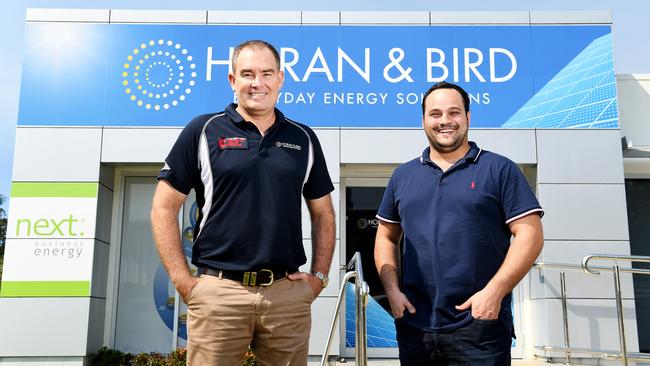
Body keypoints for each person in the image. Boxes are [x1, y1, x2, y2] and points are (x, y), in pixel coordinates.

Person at [151, 40, 336, 365]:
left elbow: (323, 213)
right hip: (218, 293)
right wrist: (185, 283)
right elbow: (163, 208)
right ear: (233, 80)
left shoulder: (302, 138)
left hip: (286, 294)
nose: (258, 83)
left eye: (267, 73)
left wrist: (318, 278)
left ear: (280, 79)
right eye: (247, 74)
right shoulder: (203, 130)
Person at [374, 81, 544, 365]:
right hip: (416, 325)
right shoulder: (403, 176)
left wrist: (494, 293)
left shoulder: (499, 169)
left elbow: (530, 235)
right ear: (424, 120)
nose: (445, 121)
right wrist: (392, 292)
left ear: (468, 117)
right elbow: (386, 236)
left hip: (480, 325)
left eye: (454, 113)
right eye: (435, 114)